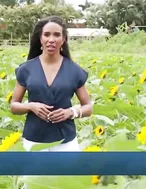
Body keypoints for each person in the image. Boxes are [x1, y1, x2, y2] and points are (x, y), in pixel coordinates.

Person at [10, 15, 93, 152]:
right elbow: (14, 106)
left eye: (57, 35)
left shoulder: (74, 70)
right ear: (40, 39)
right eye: (46, 35)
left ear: (64, 39)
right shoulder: (26, 69)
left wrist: (71, 112)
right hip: (34, 140)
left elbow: (88, 107)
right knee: (35, 174)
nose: (51, 40)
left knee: (68, 174)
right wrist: (31, 106)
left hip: (65, 141)